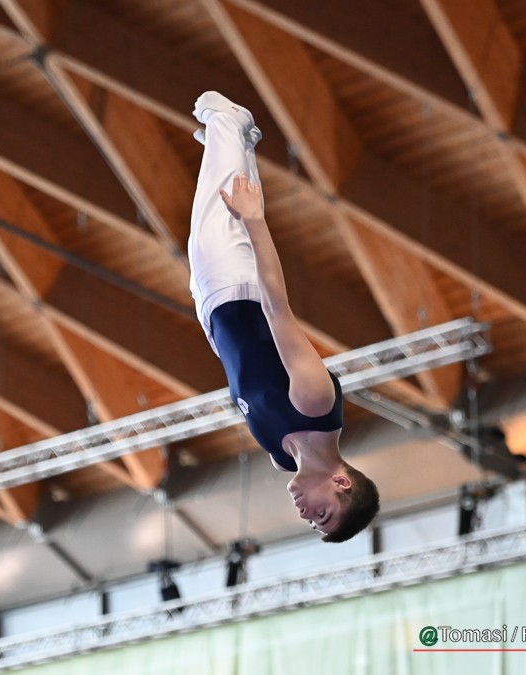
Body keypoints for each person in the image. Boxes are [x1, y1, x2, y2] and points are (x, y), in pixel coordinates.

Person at [188, 91, 379, 542]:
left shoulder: (280, 456)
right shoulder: (315, 403)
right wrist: (254, 222)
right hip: (241, 290)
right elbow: (277, 309)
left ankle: (241, 141)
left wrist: (210, 325)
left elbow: (241, 368)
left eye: (313, 523)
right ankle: (227, 120)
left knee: (219, 201)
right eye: (322, 515)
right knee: (214, 210)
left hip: (215, 314)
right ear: (342, 483)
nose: (306, 514)